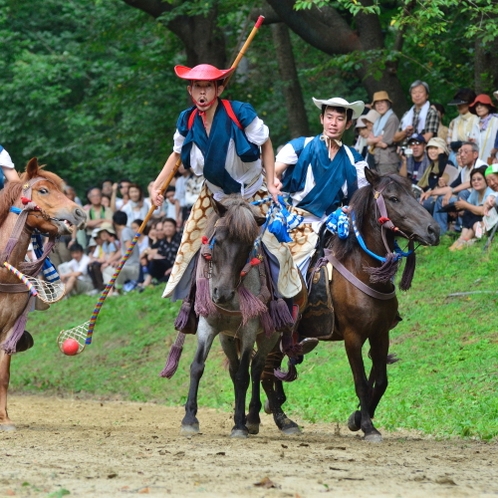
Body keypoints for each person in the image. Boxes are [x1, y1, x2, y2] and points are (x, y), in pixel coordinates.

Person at [151, 63, 301, 304]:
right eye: (197, 87)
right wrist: (156, 186)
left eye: (207, 87)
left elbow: (266, 142)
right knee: (188, 244)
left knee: (278, 248)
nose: (202, 94)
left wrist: (272, 181)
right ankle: (193, 306)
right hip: (215, 196)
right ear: (190, 90)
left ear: (218, 89)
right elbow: (177, 154)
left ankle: (285, 304)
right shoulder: (187, 120)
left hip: (253, 192)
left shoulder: (240, 112)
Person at [275, 96, 368, 275]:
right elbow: (274, 172)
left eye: (340, 119)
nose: (333, 123)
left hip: (335, 223)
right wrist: (274, 180)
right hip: (296, 222)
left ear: (348, 124)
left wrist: (350, 211)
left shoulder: (355, 160)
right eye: (329, 117)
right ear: (321, 119)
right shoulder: (300, 146)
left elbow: (362, 198)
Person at [420, 142, 487, 234]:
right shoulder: (464, 170)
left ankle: (458, 229)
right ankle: (441, 233)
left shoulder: (482, 166)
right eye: (460, 152)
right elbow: (451, 187)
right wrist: (430, 193)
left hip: (480, 201)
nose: (462, 155)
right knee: (442, 199)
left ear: (475, 154)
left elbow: (470, 183)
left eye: (465, 152)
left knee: (463, 193)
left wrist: (451, 191)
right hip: (468, 199)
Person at [449, 166, 494, 250]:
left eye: (479, 179)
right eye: (473, 180)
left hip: (488, 223)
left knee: (476, 214)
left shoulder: (490, 192)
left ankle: (465, 240)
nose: (476, 182)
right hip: (476, 224)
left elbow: (482, 211)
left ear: (486, 181)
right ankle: (462, 237)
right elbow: (468, 208)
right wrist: (459, 211)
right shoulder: (475, 192)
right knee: (468, 212)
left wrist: (465, 205)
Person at [102, 211, 140, 293]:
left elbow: (129, 251)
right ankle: (110, 291)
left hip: (132, 267)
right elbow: (122, 250)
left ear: (114, 222)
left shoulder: (125, 231)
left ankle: (118, 290)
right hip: (128, 265)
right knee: (106, 269)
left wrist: (119, 262)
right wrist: (109, 261)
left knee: (118, 269)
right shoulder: (126, 230)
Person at [394, 80, 439, 144]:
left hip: (424, 150)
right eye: (414, 93)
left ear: (427, 95)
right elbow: (395, 138)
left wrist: (412, 137)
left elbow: (427, 137)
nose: (417, 95)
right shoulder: (407, 114)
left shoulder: (431, 113)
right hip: (406, 150)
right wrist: (405, 132)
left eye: (420, 92)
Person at [367, 91, 400, 175]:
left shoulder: (391, 118)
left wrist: (372, 141)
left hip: (388, 160)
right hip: (378, 158)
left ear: (388, 104)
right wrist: (376, 140)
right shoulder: (378, 119)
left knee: (388, 186)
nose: (379, 105)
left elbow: (385, 143)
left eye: (382, 102)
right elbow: (368, 140)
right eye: (377, 103)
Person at [468, 94, 498, 163]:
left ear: (489, 107)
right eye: (477, 106)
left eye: (482, 105)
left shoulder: (495, 121)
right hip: (478, 162)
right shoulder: (475, 124)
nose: (479, 108)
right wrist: (473, 142)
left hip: (494, 160)